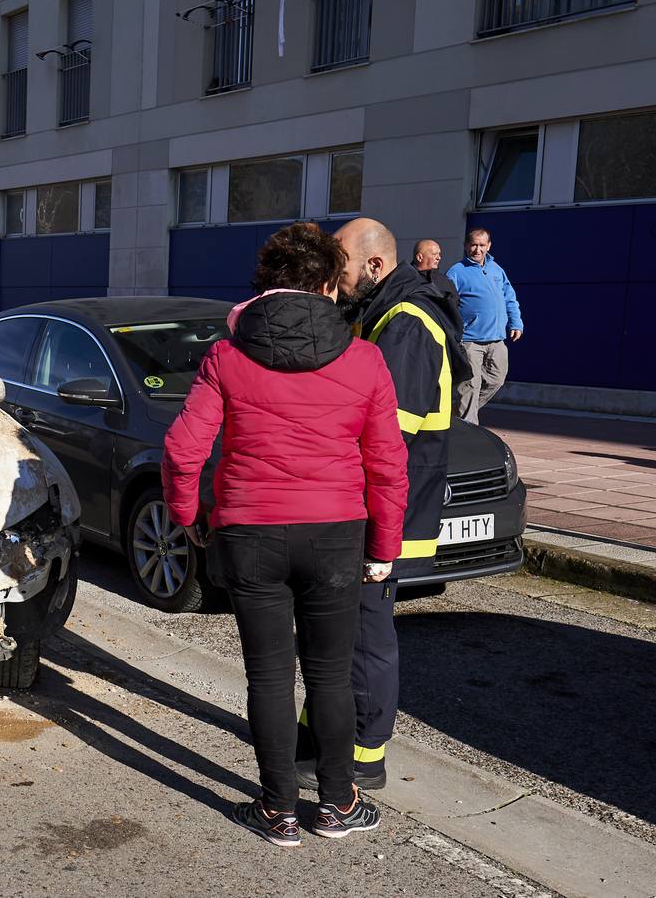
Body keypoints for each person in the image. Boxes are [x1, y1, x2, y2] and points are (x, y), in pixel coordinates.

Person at [162, 222, 408, 847]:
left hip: (249, 532)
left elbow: (183, 449)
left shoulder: (226, 354)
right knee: (328, 674)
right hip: (335, 535)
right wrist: (384, 549)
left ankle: (277, 810)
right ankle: (338, 803)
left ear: (266, 285)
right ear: (329, 284)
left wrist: (190, 517)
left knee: (268, 675)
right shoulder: (364, 357)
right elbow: (387, 465)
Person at [291, 218, 470, 795]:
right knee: (336, 629)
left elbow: (388, 431)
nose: (334, 281)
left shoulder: (408, 324)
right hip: (369, 506)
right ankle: (318, 736)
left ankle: (365, 755)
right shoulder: (382, 315)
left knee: (365, 633)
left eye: (339, 266)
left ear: (374, 265)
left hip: (387, 513)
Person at [446, 228, 522, 424]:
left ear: (489, 246)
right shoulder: (456, 272)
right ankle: (468, 427)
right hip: (470, 340)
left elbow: (509, 298)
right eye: (473, 244)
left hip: (497, 339)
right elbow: (447, 304)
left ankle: (459, 414)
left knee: (497, 379)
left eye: (481, 245)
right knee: (470, 384)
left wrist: (516, 322)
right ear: (465, 246)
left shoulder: (497, 270)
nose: (477, 249)